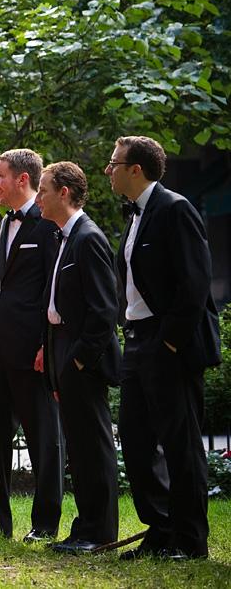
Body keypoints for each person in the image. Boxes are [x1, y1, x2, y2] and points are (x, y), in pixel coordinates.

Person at [106, 136, 220, 560]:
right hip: (136, 340)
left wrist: (169, 341)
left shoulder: (175, 209)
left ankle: (190, 542)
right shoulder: (132, 214)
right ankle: (161, 528)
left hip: (169, 342)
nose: (109, 170)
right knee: (135, 442)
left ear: (136, 168)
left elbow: (194, 283)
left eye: (114, 163)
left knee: (180, 444)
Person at [0, 148, 63, 542]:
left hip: (32, 352)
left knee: (44, 441)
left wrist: (47, 345)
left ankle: (44, 526)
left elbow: (52, 290)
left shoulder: (49, 225)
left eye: (0, 177)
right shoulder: (4, 224)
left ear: (22, 179)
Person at [34, 162, 120, 554]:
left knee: (92, 446)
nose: (38, 198)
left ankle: (99, 532)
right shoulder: (63, 237)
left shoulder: (88, 238)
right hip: (61, 348)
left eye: (43, 191)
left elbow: (104, 312)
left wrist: (79, 362)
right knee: (78, 448)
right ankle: (85, 527)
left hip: (80, 356)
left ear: (64, 193)